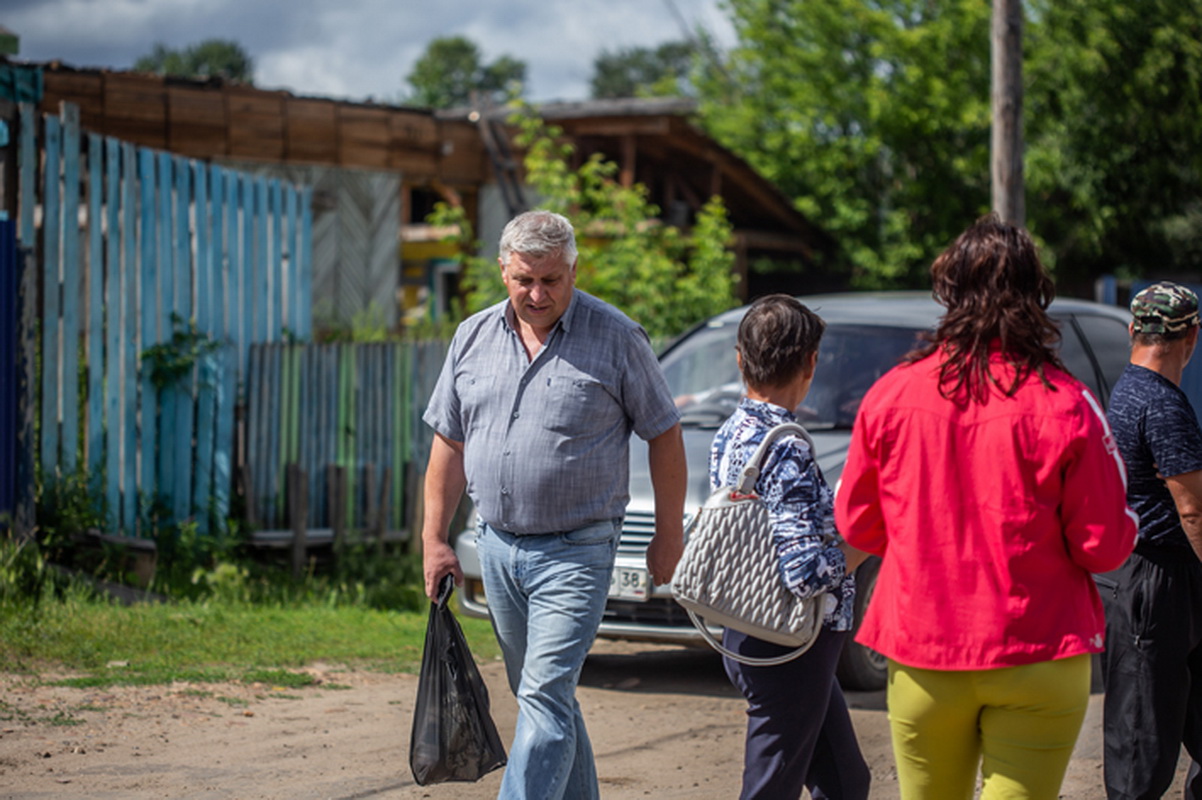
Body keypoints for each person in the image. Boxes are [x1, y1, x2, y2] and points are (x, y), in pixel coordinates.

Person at [834, 214, 1137, 799]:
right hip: (1039, 650)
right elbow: (1104, 545)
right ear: (1036, 295)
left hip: (923, 650)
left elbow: (856, 524)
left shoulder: (891, 394)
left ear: (947, 292)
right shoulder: (1069, 403)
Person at [419, 209, 687, 800]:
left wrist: (669, 534)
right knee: (545, 697)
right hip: (497, 546)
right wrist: (433, 539)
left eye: (551, 280)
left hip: (577, 549)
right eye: (524, 280)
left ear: (573, 271)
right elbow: (449, 442)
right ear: (503, 271)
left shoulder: (617, 337)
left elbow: (665, 434)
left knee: (543, 696)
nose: (537, 294)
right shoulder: (472, 336)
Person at [709, 294, 871, 800]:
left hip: (746, 623)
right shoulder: (787, 444)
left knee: (845, 781)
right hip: (790, 642)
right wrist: (866, 541)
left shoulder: (732, 431)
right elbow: (805, 573)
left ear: (740, 359)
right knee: (770, 789)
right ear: (811, 363)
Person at [1102, 281, 1202, 800]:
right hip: (1158, 579)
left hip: (1149, 572)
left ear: (1132, 331)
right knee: (1142, 741)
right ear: (1191, 337)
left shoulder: (1126, 391)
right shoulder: (1163, 404)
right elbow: (1193, 510)